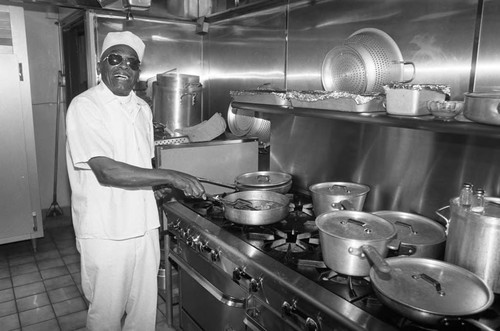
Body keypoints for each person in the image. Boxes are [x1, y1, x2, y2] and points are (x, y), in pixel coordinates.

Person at [65, 31, 205, 330]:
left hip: (143, 227)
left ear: (138, 71)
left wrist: (157, 186)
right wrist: (170, 174)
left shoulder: (142, 109)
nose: (123, 67)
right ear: (100, 64)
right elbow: (106, 171)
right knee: (106, 316)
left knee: (143, 314)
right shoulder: (85, 105)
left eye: (131, 63)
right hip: (105, 232)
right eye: (115, 59)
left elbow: (139, 163)